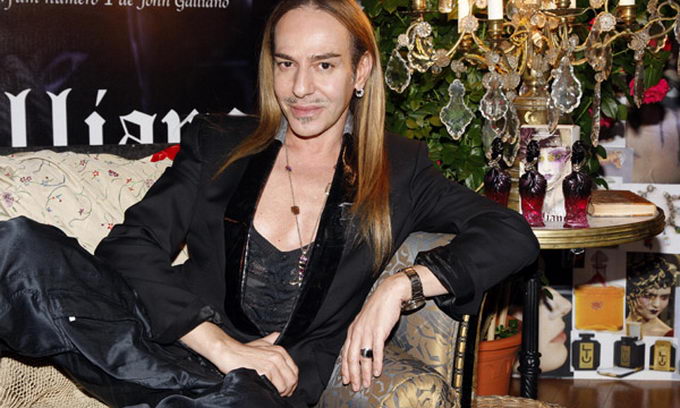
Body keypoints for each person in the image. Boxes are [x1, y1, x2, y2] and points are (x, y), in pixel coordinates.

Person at [0, 1, 540, 407]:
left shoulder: (397, 170)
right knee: (20, 245)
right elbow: (130, 247)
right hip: (164, 343)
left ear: (360, 72)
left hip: (261, 391)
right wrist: (221, 346)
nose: (300, 88)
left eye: (324, 65)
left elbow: (511, 233)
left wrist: (402, 287)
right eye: (286, 64)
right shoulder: (219, 143)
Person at [626, 256, 679, 337]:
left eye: (664, 297)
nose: (657, 304)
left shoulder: (669, 335)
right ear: (631, 294)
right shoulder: (612, 327)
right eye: (648, 296)